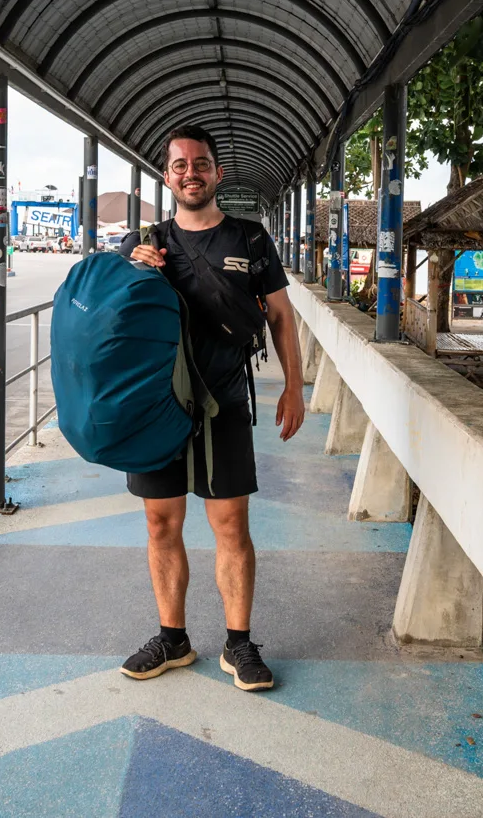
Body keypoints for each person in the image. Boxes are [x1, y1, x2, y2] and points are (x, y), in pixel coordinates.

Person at [116, 124, 305, 692]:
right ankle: (172, 639)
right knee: (159, 522)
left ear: (217, 173)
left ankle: (239, 644)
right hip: (158, 404)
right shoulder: (144, 242)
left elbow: (280, 317)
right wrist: (131, 265)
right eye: (179, 165)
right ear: (167, 176)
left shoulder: (250, 239)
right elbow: (113, 314)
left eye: (200, 164)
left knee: (230, 524)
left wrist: (294, 387)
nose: (190, 173)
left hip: (223, 400)